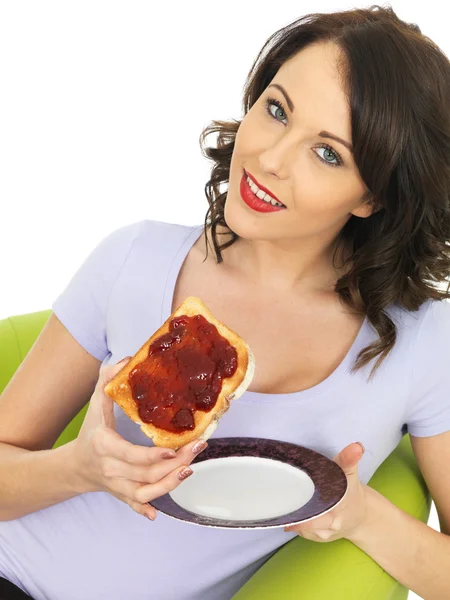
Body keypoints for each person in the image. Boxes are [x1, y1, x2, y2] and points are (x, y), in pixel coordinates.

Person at [1, 4, 450, 599]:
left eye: (327, 152)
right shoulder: (134, 258)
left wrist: (360, 515)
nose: (269, 158)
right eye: (276, 110)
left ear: (373, 195)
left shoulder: (420, 341)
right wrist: (81, 469)